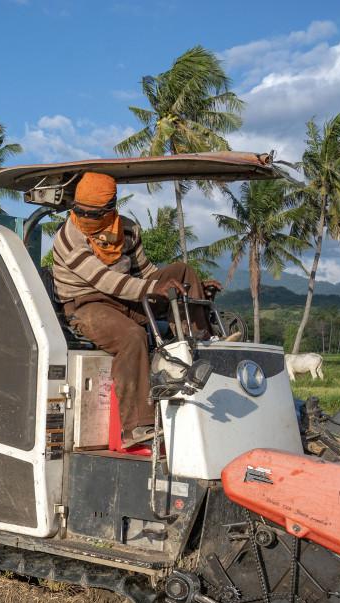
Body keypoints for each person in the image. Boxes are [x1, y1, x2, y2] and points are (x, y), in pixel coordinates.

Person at [50, 173, 224, 448]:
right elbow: (104, 281)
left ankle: (203, 345)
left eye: (92, 214)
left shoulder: (129, 230)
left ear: (110, 210)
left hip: (128, 298)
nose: (84, 218)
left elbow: (147, 273)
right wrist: (150, 289)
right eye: (79, 211)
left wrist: (187, 286)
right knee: (132, 336)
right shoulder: (69, 238)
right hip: (87, 304)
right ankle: (137, 427)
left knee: (183, 272)